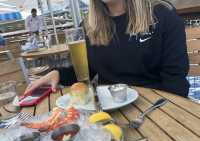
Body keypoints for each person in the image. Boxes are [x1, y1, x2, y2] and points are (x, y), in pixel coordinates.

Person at [25, 0, 190, 97]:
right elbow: (87, 69)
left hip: (154, 109)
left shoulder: (161, 16)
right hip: (106, 112)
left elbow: (175, 81)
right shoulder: (89, 26)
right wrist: (58, 73)